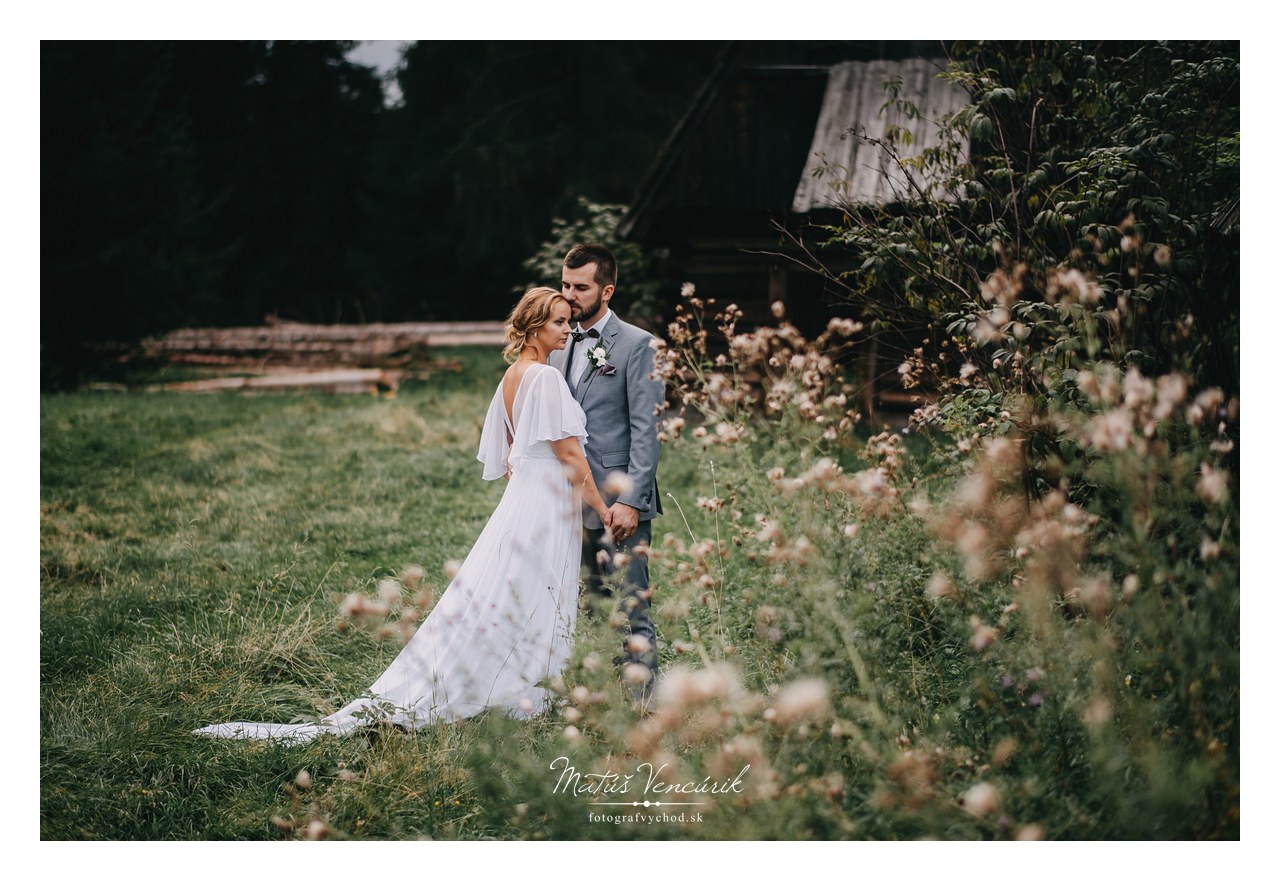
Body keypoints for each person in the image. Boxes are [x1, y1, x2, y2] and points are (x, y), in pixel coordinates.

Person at [194, 288, 611, 743]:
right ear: (533, 326)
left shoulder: (514, 374)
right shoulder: (546, 379)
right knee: (534, 589)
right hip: (546, 500)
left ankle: (514, 682)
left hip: (526, 497)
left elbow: (512, 456)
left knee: (512, 591)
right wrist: (603, 510)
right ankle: (520, 689)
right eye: (558, 322)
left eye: (568, 321)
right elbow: (570, 454)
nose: (567, 330)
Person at [549, 244, 665, 706]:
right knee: (586, 603)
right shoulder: (556, 344)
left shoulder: (638, 345)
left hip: (618, 501)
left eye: (581, 287)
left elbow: (647, 429)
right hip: (569, 500)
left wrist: (631, 499)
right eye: (565, 285)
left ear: (607, 290)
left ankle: (644, 702)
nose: (570, 295)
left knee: (633, 602)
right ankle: (596, 694)